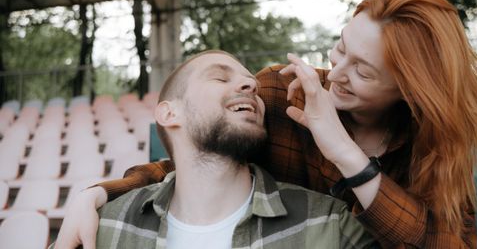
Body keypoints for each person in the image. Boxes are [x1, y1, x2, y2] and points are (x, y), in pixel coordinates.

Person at [54, 0, 477, 248]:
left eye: (361, 71)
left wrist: (345, 154)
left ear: (408, 91)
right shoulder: (280, 93)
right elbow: (198, 161)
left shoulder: (435, 147)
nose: (335, 74)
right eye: (341, 48)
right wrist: (99, 193)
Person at [53, 50, 375, 249]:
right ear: (169, 114)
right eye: (220, 77)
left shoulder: (330, 227)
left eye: (253, 84)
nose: (251, 85)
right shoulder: (103, 229)